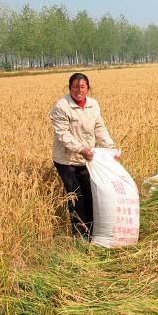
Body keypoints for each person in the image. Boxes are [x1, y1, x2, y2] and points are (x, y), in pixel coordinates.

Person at [50, 72, 117, 239]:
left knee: (90, 194)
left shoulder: (93, 105)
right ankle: (79, 235)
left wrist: (111, 149)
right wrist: (81, 149)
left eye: (82, 87)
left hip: (87, 159)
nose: (78, 90)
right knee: (76, 197)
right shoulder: (62, 106)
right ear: (69, 88)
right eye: (75, 87)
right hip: (67, 160)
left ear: (88, 88)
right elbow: (63, 135)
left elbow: (99, 128)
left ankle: (94, 231)